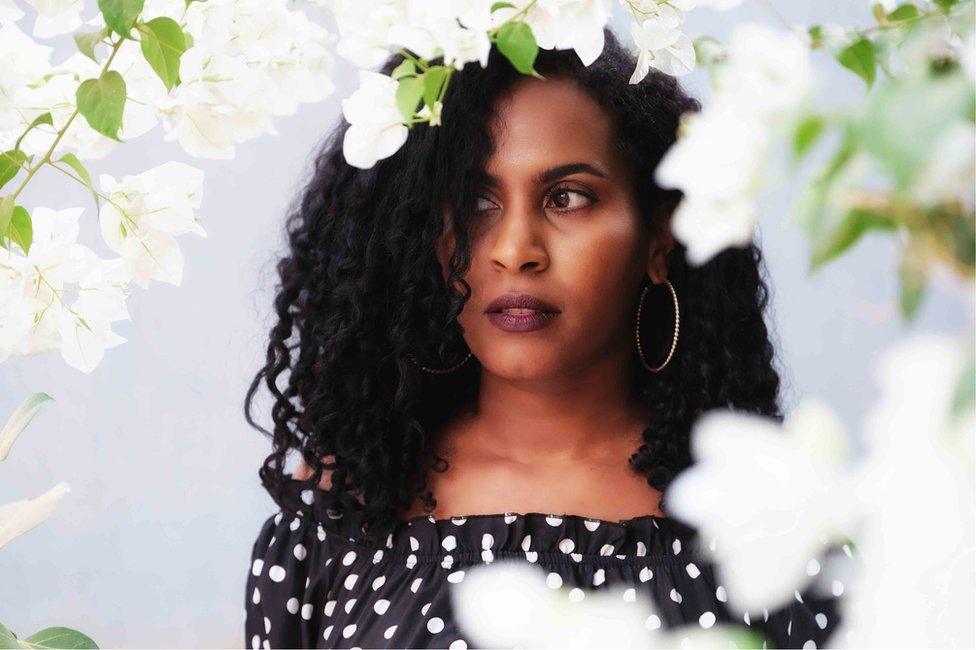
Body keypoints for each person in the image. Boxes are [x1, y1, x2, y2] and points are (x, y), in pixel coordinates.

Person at [242, 27, 849, 649]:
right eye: (476, 202)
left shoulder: (769, 523)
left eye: (567, 197)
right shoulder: (342, 510)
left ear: (659, 237)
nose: (515, 251)